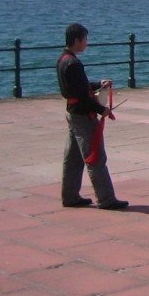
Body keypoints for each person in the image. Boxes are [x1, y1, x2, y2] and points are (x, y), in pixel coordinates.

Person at [58, 23, 128, 210]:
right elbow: (81, 95)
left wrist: (98, 84)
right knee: (95, 157)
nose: (86, 43)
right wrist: (100, 109)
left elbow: (78, 88)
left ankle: (70, 195)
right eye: (84, 39)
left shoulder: (63, 59)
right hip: (82, 115)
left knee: (73, 157)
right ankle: (106, 199)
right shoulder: (73, 63)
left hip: (73, 113)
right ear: (77, 40)